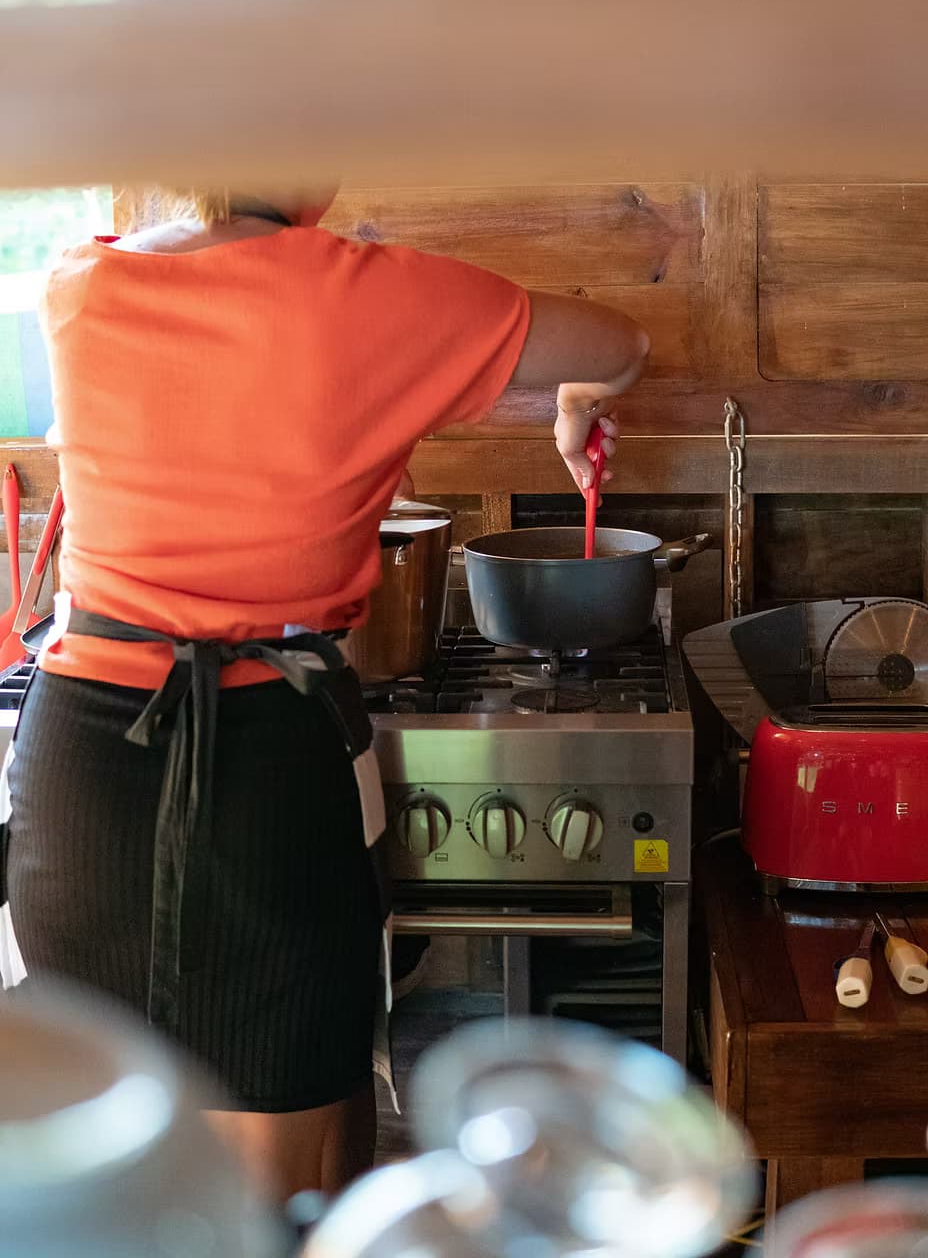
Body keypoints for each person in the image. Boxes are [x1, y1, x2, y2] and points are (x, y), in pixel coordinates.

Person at [0, 187, 649, 1202]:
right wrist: (575, 406)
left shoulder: (85, 279)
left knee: (99, 1172)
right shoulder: (365, 293)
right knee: (290, 1183)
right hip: (262, 758)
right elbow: (619, 343)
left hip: (80, 757)